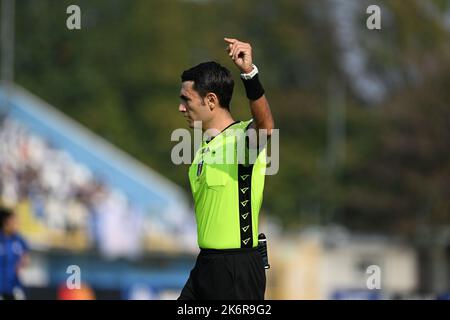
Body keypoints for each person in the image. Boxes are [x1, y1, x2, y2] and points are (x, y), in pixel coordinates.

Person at [177, 38, 274, 300]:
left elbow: (266, 125)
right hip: (205, 266)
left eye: (186, 99)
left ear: (210, 100)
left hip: (237, 269)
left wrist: (249, 74)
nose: (181, 108)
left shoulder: (242, 139)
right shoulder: (202, 150)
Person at [0, 207, 30, 300]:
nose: (16, 225)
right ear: (5, 222)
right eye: (13, 221)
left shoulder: (19, 239)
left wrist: (22, 262)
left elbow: (26, 258)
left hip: (14, 287)